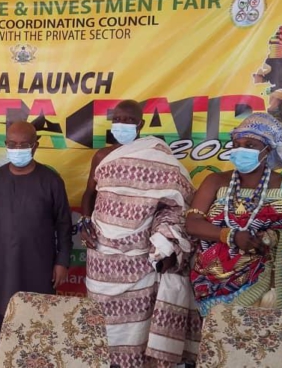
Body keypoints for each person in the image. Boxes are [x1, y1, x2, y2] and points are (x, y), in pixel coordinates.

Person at [80, 100, 200, 368]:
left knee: (137, 327)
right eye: (117, 119)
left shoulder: (159, 157)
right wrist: (84, 221)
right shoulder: (102, 156)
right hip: (101, 255)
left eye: (129, 120)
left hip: (140, 259)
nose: (121, 124)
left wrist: (166, 241)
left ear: (141, 124)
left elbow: (178, 204)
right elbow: (89, 194)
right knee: (101, 324)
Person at [187, 113, 282, 332]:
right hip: (216, 282)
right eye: (237, 144)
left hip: (272, 287)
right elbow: (192, 223)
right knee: (223, 344)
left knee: (269, 344)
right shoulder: (215, 181)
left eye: (250, 145)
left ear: (269, 150)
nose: (240, 150)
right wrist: (232, 236)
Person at [0, 121, 73, 354]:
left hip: (40, 268)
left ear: (35, 146)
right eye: (12, 144)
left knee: (39, 325)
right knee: (4, 327)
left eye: (23, 145)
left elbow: (64, 224)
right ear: (5, 144)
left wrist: (62, 261)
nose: (17, 149)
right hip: (2, 267)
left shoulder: (51, 181)